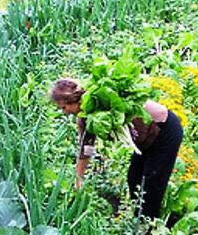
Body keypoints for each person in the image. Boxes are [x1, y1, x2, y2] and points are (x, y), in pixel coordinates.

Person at [50, 77, 183, 220]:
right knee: (134, 179)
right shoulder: (85, 116)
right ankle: (138, 221)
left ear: (73, 100)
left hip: (165, 130)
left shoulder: (103, 99)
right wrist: (78, 179)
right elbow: (86, 149)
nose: (64, 112)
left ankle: (149, 232)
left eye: (64, 107)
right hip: (145, 140)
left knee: (151, 186)